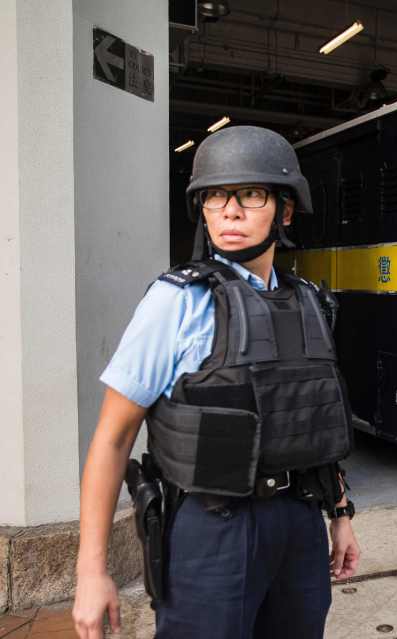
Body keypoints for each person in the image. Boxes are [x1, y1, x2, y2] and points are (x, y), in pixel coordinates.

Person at [72, 125, 360, 639]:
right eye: (214, 197)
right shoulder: (178, 301)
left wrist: (339, 514)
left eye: (250, 194)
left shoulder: (309, 303)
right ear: (201, 210)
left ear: (285, 210)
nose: (230, 211)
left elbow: (309, 414)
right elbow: (112, 438)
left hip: (300, 524)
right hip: (214, 528)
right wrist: (91, 572)